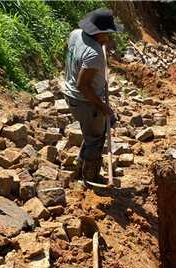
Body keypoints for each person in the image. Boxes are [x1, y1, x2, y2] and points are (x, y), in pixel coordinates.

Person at [64, 8, 122, 185]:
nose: (109, 37)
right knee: (96, 138)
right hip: (85, 101)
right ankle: (90, 177)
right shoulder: (94, 53)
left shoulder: (75, 34)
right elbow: (83, 85)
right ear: (99, 33)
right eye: (107, 33)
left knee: (90, 134)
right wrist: (103, 107)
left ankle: (80, 167)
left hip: (71, 94)